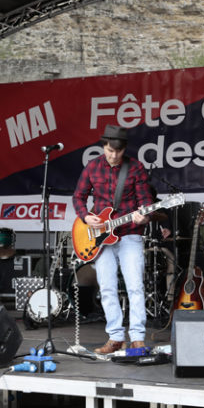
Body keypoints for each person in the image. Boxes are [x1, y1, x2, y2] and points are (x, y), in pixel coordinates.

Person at [72, 125, 154, 354]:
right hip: (100, 236)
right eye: (110, 150)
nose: (114, 155)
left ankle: (137, 338)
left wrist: (144, 215)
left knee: (135, 286)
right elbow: (78, 197)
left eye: (118, 151)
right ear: (104, 146)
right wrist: (86, 216)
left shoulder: (135, 167)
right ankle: (116, 337)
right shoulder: (93, 167)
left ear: (124, 149)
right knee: (107, 287)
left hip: (129, 233)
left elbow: (145, 201)